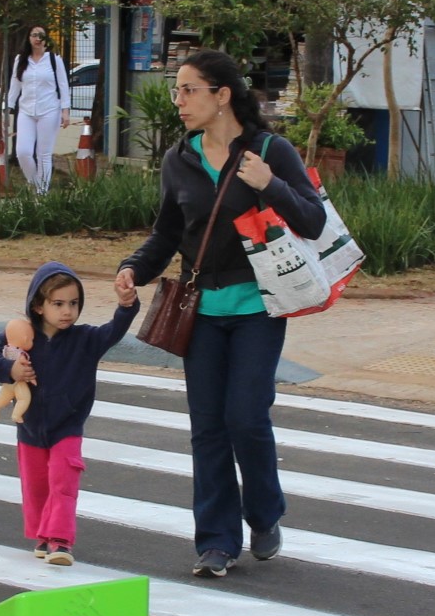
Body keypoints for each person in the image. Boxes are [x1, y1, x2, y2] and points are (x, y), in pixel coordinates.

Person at [116, 48, 325, 580]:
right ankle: (215, 540)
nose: (179, 101)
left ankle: (264, 513)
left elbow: (314, 220)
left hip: (258, 306)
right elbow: (168, 233)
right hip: (201, 310)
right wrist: (133, 269)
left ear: (222, 95)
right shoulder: (178, 159)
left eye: (189, 90)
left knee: (246, 418)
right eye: (177, 90)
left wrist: (269, 184)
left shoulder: (270, 151)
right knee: (208, 427)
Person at [0, 264, 138, 566]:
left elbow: (114, 330)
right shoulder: (21, 336)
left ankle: (61, 541)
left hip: (68, 425)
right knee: (36, 485)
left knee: (64, 483)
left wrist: (126, 305)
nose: (68, 311)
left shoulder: (85, 340)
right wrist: (9, 369)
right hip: (29, 426)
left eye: (74, 303)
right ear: (38, 306)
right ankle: (43, 535)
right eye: (58, 304)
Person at [7, 25, 71, 190]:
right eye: (34, 35)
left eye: (41, 35)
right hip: (26, 111)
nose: (37, 39)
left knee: (43, 154)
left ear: (46, 39)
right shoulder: (21, 60)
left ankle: (41, 194)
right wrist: (7, 109)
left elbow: (63, 86)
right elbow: (15, 86)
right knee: (23, 152)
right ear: (29, 38)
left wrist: (65, 111)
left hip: (49, 110)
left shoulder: (54, 59)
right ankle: (34, 183)